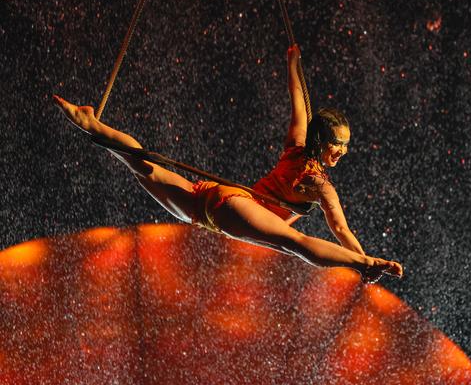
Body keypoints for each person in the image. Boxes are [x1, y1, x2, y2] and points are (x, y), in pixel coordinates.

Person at [54, 44, 402, 283]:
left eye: (346, 146)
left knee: (145, 166)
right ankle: (366, 263)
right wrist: (364, 262)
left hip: (211, 202)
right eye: (336, 145)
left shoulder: (297, 146)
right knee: (292, 243)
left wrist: (292, 65)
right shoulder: (321, 185)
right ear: (321, 142)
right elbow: (339, 230)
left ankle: (92, 125)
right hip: (237, 209)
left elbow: (298, 102)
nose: (341, 152)